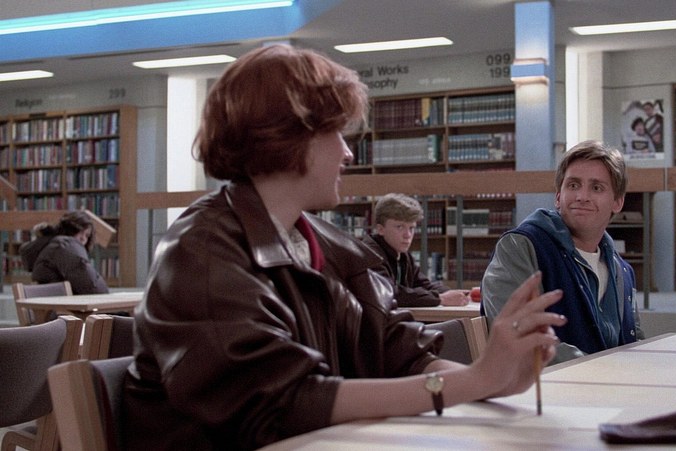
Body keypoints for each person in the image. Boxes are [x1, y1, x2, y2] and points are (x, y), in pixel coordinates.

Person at [123, 44, 566, 450]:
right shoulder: (201, 254)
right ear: (286, 136)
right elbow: (288, 403)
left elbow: (398, 353)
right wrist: (475, 381)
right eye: (335, 132)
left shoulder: (330, 247)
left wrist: (495, 381)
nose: (348, 153)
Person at [481, 140, 642, 363]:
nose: (582, 196)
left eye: (596, 188)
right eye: (573, 185)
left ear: (617, 202)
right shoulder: (521, 247)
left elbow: (633, 340)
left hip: (608, 382)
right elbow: (519, 336)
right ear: (558, 197)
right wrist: (602, 371)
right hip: (545, 384)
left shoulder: (621, 270)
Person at [361, 193, 469, 307]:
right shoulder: (369, 254)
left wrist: (457, 294)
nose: (407, 235)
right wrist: (441, 298)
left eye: (411, 228)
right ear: (380, 229)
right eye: (400, 227)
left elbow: (424, 285)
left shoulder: (403, 255)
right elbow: (390, 294)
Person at [19, 210, 109, 294]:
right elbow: (92, 287)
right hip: (60, 304)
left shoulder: (54, 246)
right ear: (69, 229)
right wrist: (108, 300)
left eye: (87, 235)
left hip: (55, 303)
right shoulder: (64, 246)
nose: (83, 238)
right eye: (80, 232)